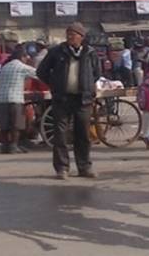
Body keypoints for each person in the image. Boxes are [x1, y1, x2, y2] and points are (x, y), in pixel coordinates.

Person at [37, 23, 101, 179]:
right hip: (62, 98)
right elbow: (41, 71)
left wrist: (87, 85)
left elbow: (96, 73)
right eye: (68, 34)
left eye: (73, 34)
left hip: (83, 99)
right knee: (60, 133)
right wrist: (55, 84)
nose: (70, 37)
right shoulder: (56, 52)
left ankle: (84, 167)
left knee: (83, 134)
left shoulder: (90, 53)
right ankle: (62, 168)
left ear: (81, 37)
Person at [0, 46, 38, 154]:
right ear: (22, 57)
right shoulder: (22, 67)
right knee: (16, 125)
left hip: (1, 99)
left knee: (4, 125)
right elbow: (39, 74)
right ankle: (14, 146)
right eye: (26, 57)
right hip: (15, 98)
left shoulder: (4, 67)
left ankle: (4, 146)